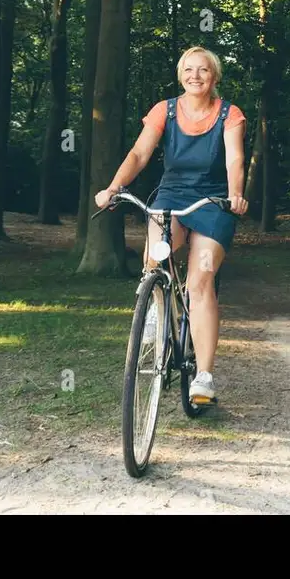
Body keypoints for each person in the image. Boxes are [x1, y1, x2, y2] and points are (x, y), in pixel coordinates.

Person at [94, 46, 248, 406]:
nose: (195, 76)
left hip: (213, 201)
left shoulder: (230, 114)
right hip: (173, 196)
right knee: (155, 258)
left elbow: (235, 158)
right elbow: (139, 154)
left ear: (215, 77)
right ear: (181, 74)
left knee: (200, 279)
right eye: (188, 70)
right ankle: (154, 308)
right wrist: (115, 187)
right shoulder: (164, 110)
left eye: (203, 70)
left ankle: (204, 377)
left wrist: (236, 194)